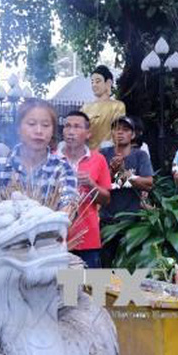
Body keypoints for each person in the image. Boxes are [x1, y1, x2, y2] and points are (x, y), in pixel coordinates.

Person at [0, 99, 78, 213]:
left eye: (45, 125)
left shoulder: (62, 169)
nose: (39, 131)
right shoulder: (2, 166)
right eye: (31, 124)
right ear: (18, 128)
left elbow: (67, 209)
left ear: (53, 130)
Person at [58, 111, 112, 268]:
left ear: (88, 134)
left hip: (87, 239)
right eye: (67, 126)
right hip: (55, 239)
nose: (70, 131)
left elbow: (107, 199)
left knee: (89, 289)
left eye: (77, 127)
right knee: (59, 290)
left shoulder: (98, 159)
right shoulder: (53, 159)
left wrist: (91, 185)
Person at [100, 116, 154, 267]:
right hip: (106, 219)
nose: (120, 133)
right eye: (117, 129)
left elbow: (148, 184)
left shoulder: (140, 155)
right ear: (111, 133)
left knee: (128, 266)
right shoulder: (102, 154)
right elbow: (99, 185)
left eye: (125, 130)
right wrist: (111, 170)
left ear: (133, 135)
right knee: (105, 265)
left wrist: (122, 173)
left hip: (132, 220)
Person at [81, 65, 126, 150]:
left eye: (98, 81)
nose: (94, 85)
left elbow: (119, 132)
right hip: (89, 154)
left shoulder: (117, 106)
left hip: (108, 152)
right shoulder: (85, 107)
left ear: (108, 83)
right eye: (92, 82)